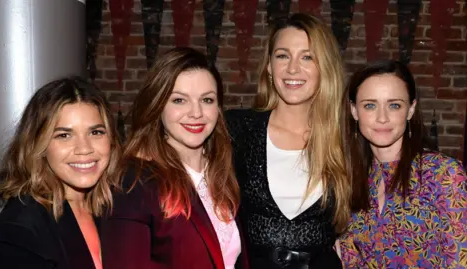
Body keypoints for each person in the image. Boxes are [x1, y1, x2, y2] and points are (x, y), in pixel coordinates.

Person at [101, 47, 249, 269]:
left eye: (207, 100)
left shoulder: (222, 173)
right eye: (180, 100)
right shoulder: (135, 182)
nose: (196, 113)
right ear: (158, 105)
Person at [225, 13, 348, 269]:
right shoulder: (236, 129)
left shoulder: (346, 139)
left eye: (307, 57)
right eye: (282, 55)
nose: (293, 68)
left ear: (324, 67)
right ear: (269, 66)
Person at [339, 60, 467, 268]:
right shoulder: (350, 178)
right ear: (354, 111)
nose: (382, 118)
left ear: (410, 110)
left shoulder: (443, 174)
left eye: (394, 105)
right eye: (370, 105)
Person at [0, 77, 122, 269]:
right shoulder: (16, 235)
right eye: (64, 135)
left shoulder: (113, 211)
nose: (84, 148)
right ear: (38, 145)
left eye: (96, 132)